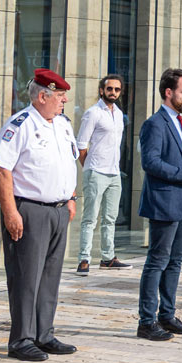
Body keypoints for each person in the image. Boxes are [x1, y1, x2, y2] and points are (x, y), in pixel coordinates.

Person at [0, 68, 80, 362]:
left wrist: (70, 197)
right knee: (25, 277)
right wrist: (10, 212)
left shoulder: (63, 124)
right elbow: (2, 170)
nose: (64, 100)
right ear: (42, 96)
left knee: (50, 276)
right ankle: (21, 339)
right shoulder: (20, 125)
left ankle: (44, 333)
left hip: (58, 210)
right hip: (29, 209)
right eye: (59, 95)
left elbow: (67, 162)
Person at [135, 68, 182, 342]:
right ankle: (146, 321)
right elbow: (150, 162)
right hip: (165, 200)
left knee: (175, 261)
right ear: (168, 92)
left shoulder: (180, 122)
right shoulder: (155, 124)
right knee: (157, 260)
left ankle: (167, 315)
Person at [73, 75, 127, 276]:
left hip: (114, 173)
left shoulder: (119, 114)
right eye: (110, 89)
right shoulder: (93, 113)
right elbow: (80, 145)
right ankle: (84, 259)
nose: (113, 92)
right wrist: (89, 168)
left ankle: (107, 258)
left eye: (117, 89)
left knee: (110, 218)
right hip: (96, 171)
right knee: (90, 218)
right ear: (101, 90)